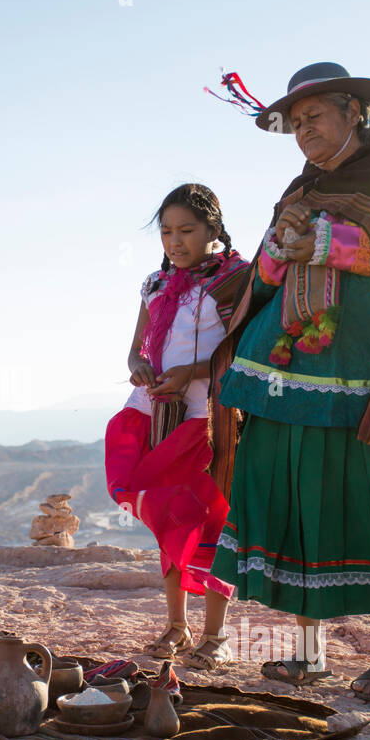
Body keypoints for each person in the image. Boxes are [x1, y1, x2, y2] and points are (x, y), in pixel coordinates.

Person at [206, 63, 370, 703]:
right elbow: (266, 277)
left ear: (354, 110)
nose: (303, 132)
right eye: (294, 124)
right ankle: (307, 651)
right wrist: (280, 249)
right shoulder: (300, 185)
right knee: (299, 492)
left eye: (314, 117)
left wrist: (331, 243)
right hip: (285, 371)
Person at [105, 183, 251, 669]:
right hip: (158, 412)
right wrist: (139, 366)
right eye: (166, 231)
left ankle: (217, 633)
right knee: (167, 512)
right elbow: (137, 346)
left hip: (211, 417)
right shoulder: (156, 284)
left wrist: (192, 373)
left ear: (214, 228)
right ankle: (175, 624)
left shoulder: (238, 281)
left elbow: (245, 353)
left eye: (187, 230)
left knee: (213, 518)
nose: (175, 241)